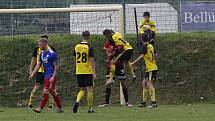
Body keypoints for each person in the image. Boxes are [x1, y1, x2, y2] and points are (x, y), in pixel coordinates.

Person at [29, 38, 63, 113]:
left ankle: (40, 108)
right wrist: (32, 73)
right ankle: (60, 108)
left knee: (46, 90)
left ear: (45, 43)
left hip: (51, 75)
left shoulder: (52, 54)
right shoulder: (42, 53)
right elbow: (38, 65)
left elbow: (56, 66)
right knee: (53, 92)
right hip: (46, 75)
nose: (39, 46)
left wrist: (53, 77)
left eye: (40, 44)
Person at [98, 40, 133, 107]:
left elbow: (121, 51)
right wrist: (114, 51)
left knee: (123, 83)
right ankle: (106, 103)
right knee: (108, 83)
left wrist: (110, 50)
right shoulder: (107, 43)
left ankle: (126, 102)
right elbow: (109, 54)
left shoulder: (119, 42)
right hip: (111, 66)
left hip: (120, 66)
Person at [28, 34, 55, 110]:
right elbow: (34, 59)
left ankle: (51, 104)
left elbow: (55, 62)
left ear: (46, 42)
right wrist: (31, 70)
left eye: (44, 41)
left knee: (49, 88)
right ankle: (30, 103)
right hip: (39, 71)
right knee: (36, 87)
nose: (41, 44)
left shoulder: (51, 50)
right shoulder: (37, 49)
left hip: (48, 72)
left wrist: (54, 72)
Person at [130, 35, 158, 108]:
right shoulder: (151, 46)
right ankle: (144, 102)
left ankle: (153, 102)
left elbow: (142, 56)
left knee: (149, 84)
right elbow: (156, 55)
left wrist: (132, 63)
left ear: (142, 40)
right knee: (144, 83)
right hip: (151, 68)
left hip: (151, 68)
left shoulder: (145, 46)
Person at [72, 31, 96, 113]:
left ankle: (77, 101)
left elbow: (75, 58)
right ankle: (90, 108)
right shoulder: (89, 47)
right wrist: (94, 72)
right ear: (88, 37)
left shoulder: (77, 46)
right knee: (90, 90)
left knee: (82, 89)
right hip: (87, 71)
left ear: (82, 36)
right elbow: (91, 60)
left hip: (79, 71)